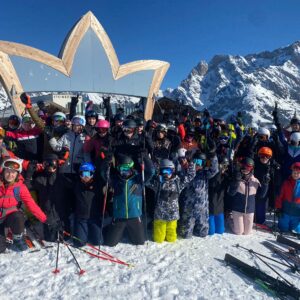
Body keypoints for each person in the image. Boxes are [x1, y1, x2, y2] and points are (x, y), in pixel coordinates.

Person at [103, 155, 154, 247]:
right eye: (122, 169)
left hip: (134, 216)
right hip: (119, 217)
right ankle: (111, 228)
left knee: (139, 242)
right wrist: (106, 162)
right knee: (110, 243)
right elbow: (104, 174)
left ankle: (130, 230)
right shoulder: (116, 181)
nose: (124, 172)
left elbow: (151, 172)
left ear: (131, 168)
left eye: (126, 169)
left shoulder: (138, 179)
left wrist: (145, 158)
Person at [0, 158, 47, 253]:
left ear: (17, 174)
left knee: (18, 216)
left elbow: (31, 204)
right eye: (8, 171)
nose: (10, 175)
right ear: (3, 172)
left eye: (13, 172)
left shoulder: (20, 187)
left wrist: (45, 219)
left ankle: (17, 237)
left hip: (11, 217)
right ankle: (6, 233)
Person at [148, 159, 195, 243]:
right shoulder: (158, 183)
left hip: (173, 215)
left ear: (172, 171)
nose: (166, 174)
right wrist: (149, 164)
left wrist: (190, 163)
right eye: (164, 171)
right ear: (161, 171)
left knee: (171, 239)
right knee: (158, 240)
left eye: (168, 171)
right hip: (160, 216)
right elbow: (146, 181)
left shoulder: (178, 183)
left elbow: (191, 175)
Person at [178, 151, 219, 238]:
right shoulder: (186, 172)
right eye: (196, 161)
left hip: (202, 209)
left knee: (203, 233)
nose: (198, 165)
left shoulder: (205, 173)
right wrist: (187, 165)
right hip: (188, 208)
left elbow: (214, 170)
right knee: (185, 235)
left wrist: (213, 155)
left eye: (201, 162)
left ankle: (199, 229)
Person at [228, 157, 269, 235]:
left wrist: (265, 184)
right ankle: (231, 220)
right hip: (237, 209)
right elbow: (231, 193)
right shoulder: (236, 178)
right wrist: (236, 181)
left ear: (252, 169)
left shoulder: (255, 181)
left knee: (247, 232)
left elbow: (261, 195)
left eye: (248, 167)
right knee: (239, 232)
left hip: (249, 210)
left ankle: (243, 223)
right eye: (243, 166)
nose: (245, 169)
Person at [73, 163, 103, 247]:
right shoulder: (76, 184)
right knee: (80, 243)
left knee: (98, 241)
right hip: (81, 218)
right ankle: (84, 233)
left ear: (92, 174)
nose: (85, 177)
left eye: (88, 174)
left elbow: (105, 176)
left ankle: (96, 231)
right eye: (83, 174)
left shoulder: (98, 185)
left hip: (94, 217)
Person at [275, 162, 300, 233]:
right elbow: (280, 196)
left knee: (297, 230)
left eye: (298, 173)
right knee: (283, 228)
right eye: (294, 172)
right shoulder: (286, 183)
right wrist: (278, 208)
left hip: (297, 214)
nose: (295, 174)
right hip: (285, 212)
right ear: (291, 172)